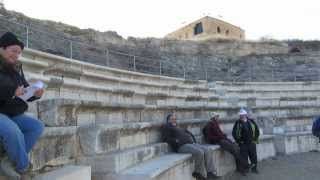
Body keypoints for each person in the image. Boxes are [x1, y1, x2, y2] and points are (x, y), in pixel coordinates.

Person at [0, 32, 45, 179]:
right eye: (14, 51)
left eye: (19, 53)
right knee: (13, 131)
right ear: (2, 48)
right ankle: (23, 168)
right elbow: (11, 89)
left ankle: (7, 161)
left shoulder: (17, 67)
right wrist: (12, 91)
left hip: (12, 111)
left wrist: (34, 93)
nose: (16, 55)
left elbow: (24, 88)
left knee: (36, 126)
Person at [162, 113, 216, 180]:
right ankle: (198, 172)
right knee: (199, 152)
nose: (174, 120)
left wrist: (193, 140)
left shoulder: (179, 127)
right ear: (168, 121)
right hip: (181, 146)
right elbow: (165, 138)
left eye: (175, 119)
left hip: (191, 143)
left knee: (208, 150)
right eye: (172, 119)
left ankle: (210, 173)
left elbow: (189, 133)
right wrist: (176, 140)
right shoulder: (167, 127)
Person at [232, 108, 260, 174]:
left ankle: (254, 168)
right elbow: (234, 133)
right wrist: (238, 141)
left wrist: (255, 139)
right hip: (243, 143)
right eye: (240, 115)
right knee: (244, 157)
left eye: (243, 114)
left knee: (253, 156)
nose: (242, 116)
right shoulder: (237, 123)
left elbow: (257, 130)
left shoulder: (251, 121)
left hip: (251, 142)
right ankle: (245, 170)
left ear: (246, 114)